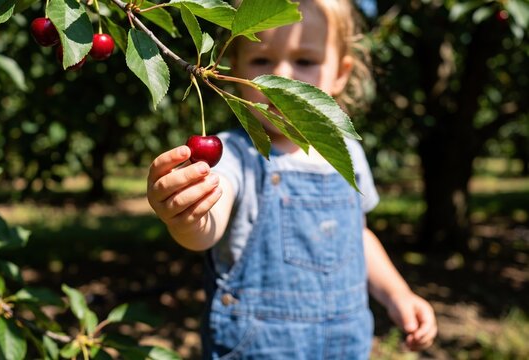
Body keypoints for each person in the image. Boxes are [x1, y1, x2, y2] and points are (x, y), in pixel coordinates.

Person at [147, 0, 438, 358]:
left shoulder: (344, 151)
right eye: (261, 62)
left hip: (345, 346)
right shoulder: (236, 154)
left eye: (305, 61)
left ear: (340, 73)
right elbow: (207, 225)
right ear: (232, 68)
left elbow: (356, 235)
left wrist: (398, 295)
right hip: (258, 348)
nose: (282, 76)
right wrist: (187, 216)